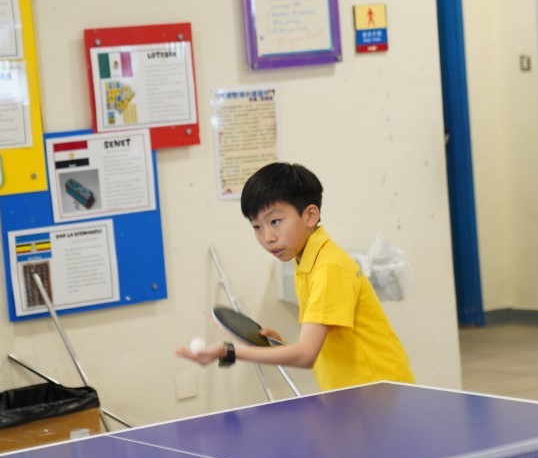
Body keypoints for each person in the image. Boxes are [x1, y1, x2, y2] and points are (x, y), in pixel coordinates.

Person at [175, 162, 414, 390]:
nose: (267, 237)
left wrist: (228, 351)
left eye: (275, 221)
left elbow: (306, 355)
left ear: (310, 216)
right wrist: (278, 345)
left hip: (379, 392)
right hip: (354, 395)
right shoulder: (306, 261)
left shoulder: (328, 268)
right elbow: (320, 346)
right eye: (257, 227)